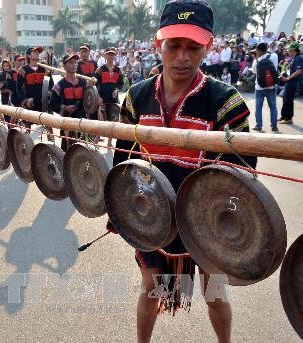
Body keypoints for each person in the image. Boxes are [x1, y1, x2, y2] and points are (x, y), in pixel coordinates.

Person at [112, 1, 256, 342]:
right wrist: (119, 213)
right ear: (156, 44)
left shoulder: (225, 101)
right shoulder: (136, 97)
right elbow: (123, 160)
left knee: (214, 291)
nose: (182, 57)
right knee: (150, 286)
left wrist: (228, 222)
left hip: (205, 219)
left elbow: (242, 172)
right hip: (152, 215)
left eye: (193, 47)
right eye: (173, 45)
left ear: (209, 47)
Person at [50, 54, 88, 151]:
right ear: (64, 66)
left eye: (75, 62)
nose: (74, 65)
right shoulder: (59, 85)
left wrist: (92, 91)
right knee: (67, 151)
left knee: (83, 150)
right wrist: (65, 107)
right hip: (67, 122)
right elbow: (53, 104)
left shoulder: (84, 83)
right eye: (71, 62)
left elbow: (90, 102)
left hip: (82, 122)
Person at [95, 47, 124, 147]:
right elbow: (95, 84)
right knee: (101, 120)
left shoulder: (118, 70)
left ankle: (109, 142)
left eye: (112, 54)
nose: (111, 56)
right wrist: (98, 97)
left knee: (113, 120)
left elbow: (121, 84)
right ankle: (97, 138)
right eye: (109, 54)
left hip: (113, 99)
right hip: (102, 98)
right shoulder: (100, 70)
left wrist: (117, 90)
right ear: (105, 55)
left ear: (115, 56)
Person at [252, 42, 279, 132]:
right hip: (271, 86)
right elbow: (275, 68)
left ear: (258, 51)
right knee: (273, 107)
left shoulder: (257, 60)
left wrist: (255, 58)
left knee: (258, 107)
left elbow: (254, 71)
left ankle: (259, 125)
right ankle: (274, 126)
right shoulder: (274, 56)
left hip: (259, 87)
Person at [278, 42, 302, 124]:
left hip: (293, 83)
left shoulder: (299, 58)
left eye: (289, 50)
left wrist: (288, 78)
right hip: (289, 82)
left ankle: (288, 118)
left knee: (288, 100)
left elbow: (298, 71)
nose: (288, 51)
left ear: (294, 50)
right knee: (285, 99)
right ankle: (284, 116)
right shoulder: (295, 58)